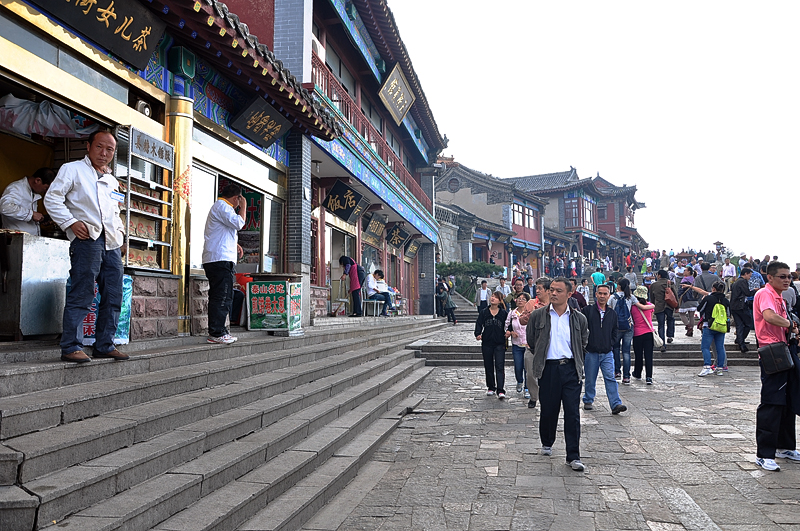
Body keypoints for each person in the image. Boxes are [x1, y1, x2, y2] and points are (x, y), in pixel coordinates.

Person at [43, 130, 128, 362]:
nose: (104, 153)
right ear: (88, 146)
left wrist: (120, 235)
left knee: (114, 294)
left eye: (109, 149)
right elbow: (52, 198)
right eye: (99, 147)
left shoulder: (112, 180)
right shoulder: (72, 169)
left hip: (111, 243)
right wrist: (70, 222)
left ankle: (105, 344)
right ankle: (71, 346)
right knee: (82, 292)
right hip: (87, 240)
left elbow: (115, 212)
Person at [525, 277, 588, 471]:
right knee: (549, 410)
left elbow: (583, 342)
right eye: (551, 289)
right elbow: (532, 340)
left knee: (572, 413)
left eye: (558, 291)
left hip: (570, 369)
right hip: (548, 368)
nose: (553, 293)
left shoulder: (578, 318)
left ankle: (573, 455)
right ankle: (547, 441)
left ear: (569, 294)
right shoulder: (538, 316)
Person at [753, 261, 800, 472]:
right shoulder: (765, 294)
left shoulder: (781, 297)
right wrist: (790, 324)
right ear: (770, 277)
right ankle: (764, 454)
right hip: (773, 353)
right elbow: (769, 316)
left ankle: (785, 446)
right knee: (772, 401)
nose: (787, 280)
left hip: (785, 349)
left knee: (788, 400)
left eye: (789, 276)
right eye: (782, 276)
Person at [201, 184, 247, 343]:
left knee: (221, 295)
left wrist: (235, 244)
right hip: (220, 260)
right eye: (239, 201)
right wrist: (244, 207)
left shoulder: (220, 208)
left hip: (217, 258)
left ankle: (218, 331)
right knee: (222, 296)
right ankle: (217, 333)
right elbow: (239, 223)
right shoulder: (223, 206)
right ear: (236, 198)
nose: (238, 204)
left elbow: (220, 232)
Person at [581, 284, 627, 415]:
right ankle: (588, 399)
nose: (602, 296)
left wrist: (610, 343)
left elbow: (615, 331)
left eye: (605, 294)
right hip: (591, 351)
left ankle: (615, 403)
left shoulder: (612, 313)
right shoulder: (587, 311)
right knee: (590, 378)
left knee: (610, 377)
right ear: (596, 294)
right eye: (600, 293)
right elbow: (582, 329)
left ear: (609, 296)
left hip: (607, 352)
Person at [0, 167, 55, 235]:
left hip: (29, 238)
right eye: (46, 188)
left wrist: (40, 219)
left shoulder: (32, 191)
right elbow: (5, 207)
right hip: (16, 237)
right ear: (37, 180)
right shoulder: (16, 188)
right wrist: (31, 214)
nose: (46, 191)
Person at [475, 291, 508, 399]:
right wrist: (478, 333)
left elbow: (508, 324)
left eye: (496, 297)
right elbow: (479, 323)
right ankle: (491, 387)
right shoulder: (484, 312)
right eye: (492, 296)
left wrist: (509, 332)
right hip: (487, 343)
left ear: (500, 300)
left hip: (499, 343)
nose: (493, 298)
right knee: (488, 366)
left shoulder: (503, 313)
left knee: (499, 366)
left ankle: (500, 390)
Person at [696, 281, 730, 376]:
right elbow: (728, 314)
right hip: (721, 327)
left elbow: (699, 309)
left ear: (713, 289)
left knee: (705, 347)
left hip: (709, 325)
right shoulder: (725, 301)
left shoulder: (708, 298)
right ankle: (720, 368)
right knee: (720, 347)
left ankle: (707, 366)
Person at [505, 291, 531, 399]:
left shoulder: (530, 313)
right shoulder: (512, 313)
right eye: (519, 299)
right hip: (516, 344)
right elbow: (506, 325)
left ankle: (527, 388)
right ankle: (519, 381)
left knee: (527, 368)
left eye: (523, 299)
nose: (520, 301)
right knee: (518, 366)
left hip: (528, 345)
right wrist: (511, 332)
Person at [609, 278, 635, 384]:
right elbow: (640, 306)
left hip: (616, 327)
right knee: (626, 352)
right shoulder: (630, 297)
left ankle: (617, 371)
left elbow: (608, 310)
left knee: (615, 349)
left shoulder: (612, 297)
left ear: (618, 285)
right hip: (628, 326)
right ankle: (626, 376)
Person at [631, 286, 656, 384]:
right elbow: (651, 319)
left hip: (637, 333)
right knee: (649, 356)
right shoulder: (650, 306)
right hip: (648, 333)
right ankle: (649, 377)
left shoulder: (633, 307)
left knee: (638, 355)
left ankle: (637, 373)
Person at [650, 270, 676, 352]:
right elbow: (675, 295)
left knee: (661, 325)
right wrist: (677, 306)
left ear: (659, 276)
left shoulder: (654, 285)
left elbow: (652, 297)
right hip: (669, 305)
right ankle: (670, 335)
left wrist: (653, 305)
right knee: (670, 319)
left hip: (659, 306)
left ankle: (662, 344)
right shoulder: (670, 283)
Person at [731, 268, 756, 353]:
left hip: (734, 306)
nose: (749, 277)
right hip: (741, 306)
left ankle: (740, 340)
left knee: (739, 325)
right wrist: (755, 291)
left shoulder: (736, 282)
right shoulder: (743, 281)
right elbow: (747, 293)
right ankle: (741, 342)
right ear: (745, 274)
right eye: (749, 275)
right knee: (748, 324)